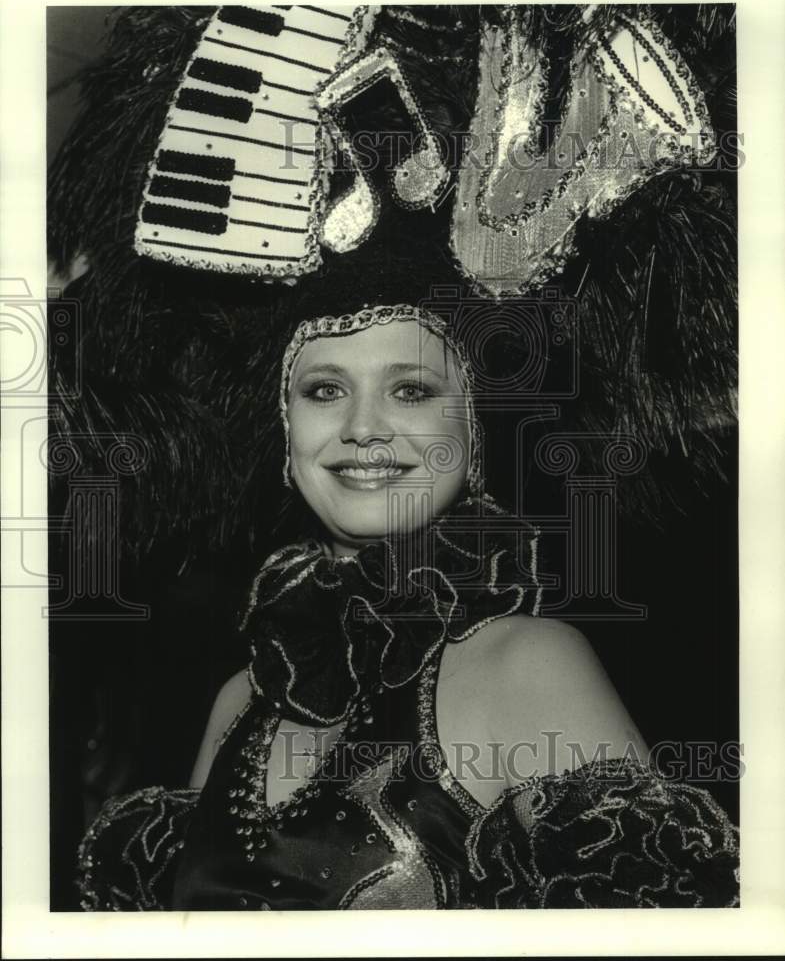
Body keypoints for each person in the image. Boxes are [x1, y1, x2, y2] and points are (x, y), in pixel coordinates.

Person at [77, 266, 740, 910]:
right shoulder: (241, 699)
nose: (362, 427)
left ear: (472, 431)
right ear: (285, 430)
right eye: (323, 391)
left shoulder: (525, 664)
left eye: (412, 391)